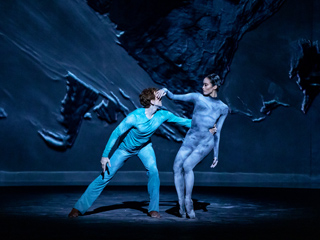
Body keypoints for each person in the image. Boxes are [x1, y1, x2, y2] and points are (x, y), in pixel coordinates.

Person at [68, 87, 195, 219]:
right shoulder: (134, 117)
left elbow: (185, 122)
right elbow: (116, 133)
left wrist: (208, 125)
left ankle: (153, 209)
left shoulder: (163, 115)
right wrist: (105, 155)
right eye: (156, 96)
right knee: (105, 176)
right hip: (124, 149)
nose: (160, 97)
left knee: (153, 172)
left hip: (144, 147)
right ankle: (78, 208)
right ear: (151, 101)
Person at [157, 73, 228, 219]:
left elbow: (218, 132)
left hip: (205, 142)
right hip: (190, 139)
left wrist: (216, 154)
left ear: (214, 86)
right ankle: (181, 202)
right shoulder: (197, 97)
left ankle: (188, 199)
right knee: (177, 167)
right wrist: (165, 90)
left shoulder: (223, 108)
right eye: (202, 84)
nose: (203, 87)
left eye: (206, 85)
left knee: (187, 166)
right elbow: (174, 96)